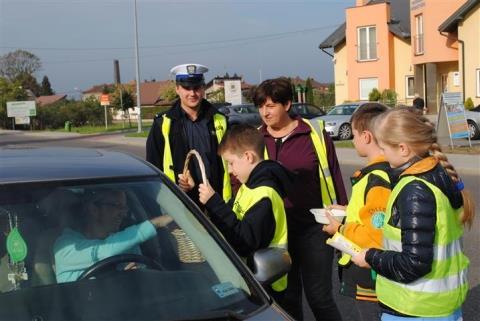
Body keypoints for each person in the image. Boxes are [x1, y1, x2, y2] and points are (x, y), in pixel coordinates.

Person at [351, 108, 474, 320]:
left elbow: (414, 263)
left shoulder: (415, 190)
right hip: (440, 304)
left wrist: (370, 256)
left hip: (416, 308)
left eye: (384, 148)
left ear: (402, 148)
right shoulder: (437, 173)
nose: (382, 154)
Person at [253, 77, 348, 321]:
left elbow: (334, 176)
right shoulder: (255, 139)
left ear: (287, 104)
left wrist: (342, 218)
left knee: (319, 298)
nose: (265, 111)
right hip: (276, 234)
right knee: (287, 299)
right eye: (261, 106)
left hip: (314, 229)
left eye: (271, 105)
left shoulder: (313, 134)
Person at [197, 124, 291, 301]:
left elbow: (244, 242)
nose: (230, 171)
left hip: (266, 286)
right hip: (251, 278)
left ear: (248, 156)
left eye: (231, 163)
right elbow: (233, 217)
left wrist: (214, 203)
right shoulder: (247, 186)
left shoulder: (265, 195)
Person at [322, 103, 391, 320]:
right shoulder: (381, 172)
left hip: (370, 274)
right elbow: (371, 213)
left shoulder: (377, 178)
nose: (352, 140)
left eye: (354, 135)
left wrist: (339, 228)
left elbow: (375, 234)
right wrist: (348, 210)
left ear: (367, 136)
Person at [146, 63, 231, 208]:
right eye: (186, 88)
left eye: (196, 87)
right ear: (177, 89)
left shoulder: (220, 119)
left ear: (203, 88)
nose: (192, 93)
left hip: (217, 204)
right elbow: (153, 170)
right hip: (179, 206)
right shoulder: (163, 124)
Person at [54, 188, 172, 283]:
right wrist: (156, 223)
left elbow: (142, 278)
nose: (123, 213)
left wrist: (135, 276)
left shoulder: (127, 243)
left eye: (125, 207)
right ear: (93, 209)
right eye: (116, 206)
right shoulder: (66, 246)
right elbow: (106, 251)